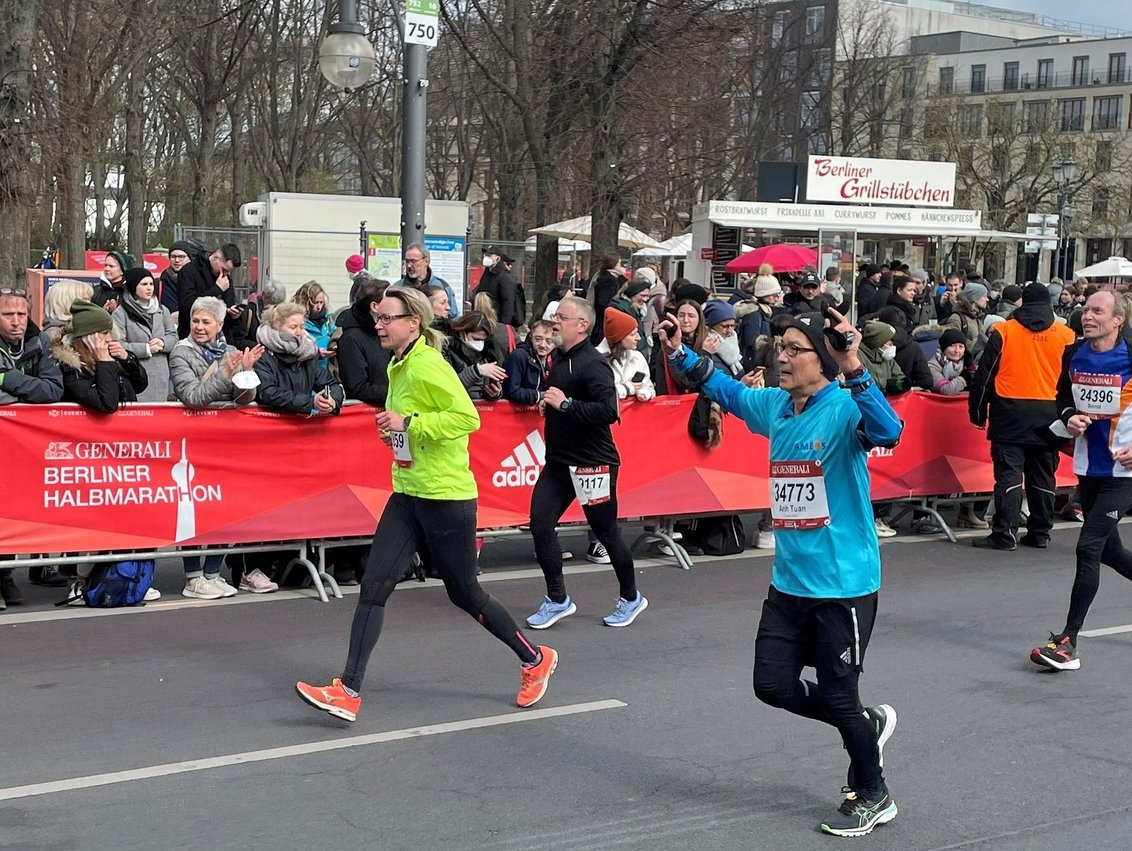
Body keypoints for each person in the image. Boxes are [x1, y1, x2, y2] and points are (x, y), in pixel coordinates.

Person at [658, 307, 903, 838]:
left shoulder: (841, 409)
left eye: (795, 349)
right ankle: (865, 724)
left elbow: (889, 429)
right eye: (779, 347)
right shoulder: (777, 408)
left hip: (844, 583)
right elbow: (722, 389)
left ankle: (873, 792)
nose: (782, 357)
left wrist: (853, 363)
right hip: (789, 582)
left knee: (839, 695)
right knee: (770, 685)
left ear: (824, 359)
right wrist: (679, 351)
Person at [295, 287, 557, 721]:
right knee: (374, 587)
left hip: (447, 496)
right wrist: (396, 433)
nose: (378, 324)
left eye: (386, 319)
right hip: (408, 493)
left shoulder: (427, 364)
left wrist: (409, 422)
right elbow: (411, 427)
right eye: (376, 318)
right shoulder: (400, 363)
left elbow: (467, 418)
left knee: (464, 592)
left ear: (412, 322)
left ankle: (534, 658)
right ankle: (349, 690)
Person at [526, 296, 647, 629]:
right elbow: (565, 401)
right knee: (539, 524)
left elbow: (609, 412)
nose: (554, 323)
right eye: (553, 317)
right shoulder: (559, 359)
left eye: (561, 318)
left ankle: (631, 597)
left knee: (606, 533)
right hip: (559, 463)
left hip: (592, 463)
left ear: (582, 325)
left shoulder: (593, 363)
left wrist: (565, 406)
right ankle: (557, 599)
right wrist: (550, 408)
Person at [1030, 291, 1132, 671]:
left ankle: (1068, 643)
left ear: (1117, 318)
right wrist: (1071, 416)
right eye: (1085, 309)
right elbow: (1062, 398)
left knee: (1088, 547)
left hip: (1125, 473)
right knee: (1110, 552)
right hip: (1090, 467)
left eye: (1096, 311)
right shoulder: (1074, 353)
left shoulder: (1131, 353)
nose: (1086, 315)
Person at [169, 296, 273, 598]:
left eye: (206, 322)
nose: (200, 327)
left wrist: (245, 373)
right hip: (192, 442)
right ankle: (193, 576)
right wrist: (225, 375)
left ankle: (214, 573)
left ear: (219, 324)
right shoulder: (180, 353)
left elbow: (245, 399)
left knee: (224, 508)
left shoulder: (230, 351)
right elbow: (193, 396)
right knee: (193, 506)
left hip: (226, 443)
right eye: (195, 321)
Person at [969, 282, 1075, 550]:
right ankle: (1040, 532)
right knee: (1043, 475)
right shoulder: (1066, 335)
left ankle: (1004, 533)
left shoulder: (1004, 331)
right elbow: (1075, 379)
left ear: (1021, 303)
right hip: (1050, 414)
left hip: (1010, 413)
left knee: (1008, 475)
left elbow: (984, 376)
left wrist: (978, 411)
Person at [0, 283, 64, 609]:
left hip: (27, 449)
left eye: (21, 314)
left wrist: (5, 379)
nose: (16, 321)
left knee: (14, 509)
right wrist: (27, 391)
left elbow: (53, 390)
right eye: (8, 314)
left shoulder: (41, 344)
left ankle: (8, 575)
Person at [53, 300, 148, 412]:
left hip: (124, 426)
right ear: (89, 337)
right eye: (104, 333)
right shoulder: (71, 368)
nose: (109, 338)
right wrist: (104, 363)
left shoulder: (111, 353)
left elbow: (140, 385)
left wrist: (127, 359)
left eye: (109, 332)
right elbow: (107, 404)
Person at [253, 302, 344, 415]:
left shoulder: (307, 353)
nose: (300, 333)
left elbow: (331, 384)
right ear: (276, 328)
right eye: (293, 327)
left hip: (303, 424)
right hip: (273, 425)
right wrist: (310, 401)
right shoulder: (262, 354)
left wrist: (332, 400)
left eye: (301, 327)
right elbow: (268, 393)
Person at [111, 267, 178, 402]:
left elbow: (174, 336)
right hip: (136, 374)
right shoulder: (120, 313)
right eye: (144, 284)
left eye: (151, 284)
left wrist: (163, 342)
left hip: (161, 374)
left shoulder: (162, 310)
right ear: (134, 287)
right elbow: (117, 345)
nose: (149, 288)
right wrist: (146, 349)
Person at [337, 279, 392, 407]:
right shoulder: (351, 339)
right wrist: (395, 394)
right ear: (375, 306)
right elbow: (356, 387)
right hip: (368, 416)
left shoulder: (389, 331)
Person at [176, 243, 242, 339]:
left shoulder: (225, 277)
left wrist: (234, 315)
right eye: (224, 269)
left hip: (219, 337)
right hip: (193, 336)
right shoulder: (188, 272)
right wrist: (217, 289)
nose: (226, 273)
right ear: (216, 257)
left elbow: (229, 305)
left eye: (229, 271)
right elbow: (187, 307)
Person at [443, 310, 506, 400]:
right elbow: (448, 387)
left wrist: (493, 393)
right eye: (476, 339)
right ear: (462, 332)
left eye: (483, 340)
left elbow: (481, 389)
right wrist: (477, 371)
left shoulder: (487, 353)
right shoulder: (447, 349)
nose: (480, 343)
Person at [597, 306, 656, 401]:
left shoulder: (638, 357)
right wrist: (627, 388)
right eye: (633, 334)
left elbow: (649, 387)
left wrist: (645, 393)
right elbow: (599, 393)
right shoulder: (597, 359)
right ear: (619, 337)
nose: (639, 338)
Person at [397, 242, 458, 318]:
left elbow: (454, 317)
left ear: (426, 261)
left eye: (413, 261)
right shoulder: (397, 288)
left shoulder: (443, 286)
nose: (409, 265)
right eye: (407, 261)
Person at [502, 319, 554, 404]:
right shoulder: (518, 356)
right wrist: (539, 396)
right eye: (538, 339)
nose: (543, 345)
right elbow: (511, 391)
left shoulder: (555, 358)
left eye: (549, 341)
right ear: (531, 337)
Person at [586, 251, 627, 344]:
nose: (621, 266)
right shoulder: (609, 280)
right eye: (619, 263)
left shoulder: (600, 276)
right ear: (614, 264)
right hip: (604, 324)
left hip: (601, 322)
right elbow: (603, 303)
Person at [475, 245, 516, 327]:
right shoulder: (486, 274)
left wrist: (504, 325)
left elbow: (508, 301)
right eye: (485, 255)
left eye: (489, 255)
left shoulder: (503, 276)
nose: (486, 257)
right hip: (484, 317)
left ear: (497, 258)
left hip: (497, 320)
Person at [159, 241, 197, 326]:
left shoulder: (198, 281)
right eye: (173, 257)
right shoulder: (160, 283)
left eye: (181, 257)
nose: (177, 260)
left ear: (189, 259)